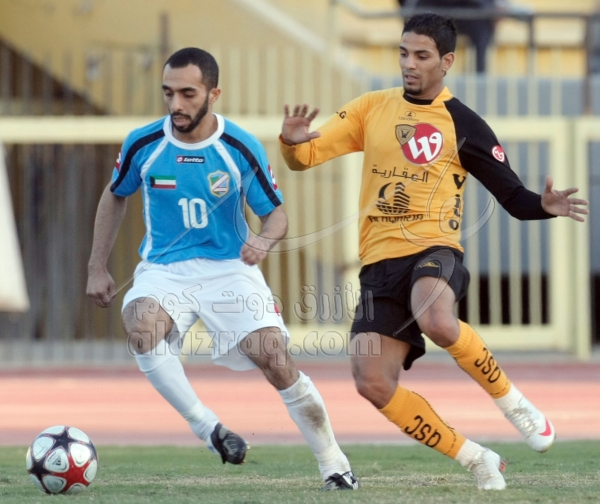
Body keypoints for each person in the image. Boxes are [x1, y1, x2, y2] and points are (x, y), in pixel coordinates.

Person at [279, 13, 588, 490]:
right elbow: (306, 158)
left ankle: (515, 404)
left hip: (434, 250)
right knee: (372, 384)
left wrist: (544, 206)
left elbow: (514, 198)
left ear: (446, 62)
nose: (409, 64)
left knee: (437, 319)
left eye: (421, 55)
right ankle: (477, 458)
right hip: (378, 265)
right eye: (403, 53)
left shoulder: (464, 124)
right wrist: (291, 143)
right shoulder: (371, 107)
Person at [86, 47, 358, 491]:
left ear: (214, 94)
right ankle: (208, 427)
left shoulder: (239, 146)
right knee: (140, 325)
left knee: (275, 359)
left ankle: (335, 466)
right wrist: (96, 266)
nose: (176, 104)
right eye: (168, 93)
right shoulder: (143, 143)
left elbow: (277, 215)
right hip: (164, 270)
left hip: (229, 269)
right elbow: (116, 193)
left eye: (188, 94)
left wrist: (263, 240)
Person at [398, 0, 497, 73]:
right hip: (429, 7)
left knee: (484, 25)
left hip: (467, 8)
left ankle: (479, 78)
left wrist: (494, 6)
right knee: (421, 27)